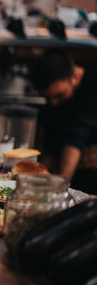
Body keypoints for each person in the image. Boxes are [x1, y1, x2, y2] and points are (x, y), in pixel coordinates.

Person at [30, 48, 97, 194]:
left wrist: (58, 189)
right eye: (48, 98)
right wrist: (39, 181)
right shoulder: (56, 101)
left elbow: (77, 136)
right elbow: (50, 142)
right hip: (74, 183)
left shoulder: (93, 85)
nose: (53, 103)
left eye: (59, 96)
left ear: (75, 75)